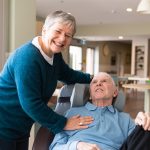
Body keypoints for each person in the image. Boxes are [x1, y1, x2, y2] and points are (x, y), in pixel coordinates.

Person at [0, 10, 94, 150]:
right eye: (58, 31)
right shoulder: (27, 57)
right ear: (45, 30)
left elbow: (68, 75)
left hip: (21, 127)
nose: (62, 39)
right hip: (4, 126)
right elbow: (31, 103)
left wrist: (93, 79)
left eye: (68, 35)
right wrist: (63, 123)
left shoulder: (54, 56)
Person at [49, 72, 150, 150]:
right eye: (94, 82)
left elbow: (139, 143)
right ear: (90, 93)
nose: (98, 84)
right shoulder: (72, 113)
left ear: (115, 92)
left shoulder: (125, 119)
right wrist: (78, 145)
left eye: (104, 81)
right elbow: (55, 147)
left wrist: (143, 124)